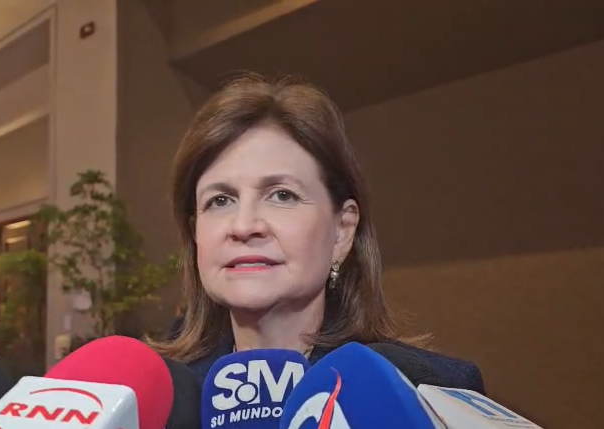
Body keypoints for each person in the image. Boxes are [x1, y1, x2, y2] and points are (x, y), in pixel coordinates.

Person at [148, 72, 485, 393]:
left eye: (282, 195)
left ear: (342, 230)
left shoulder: (429, 391)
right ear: (195, 233)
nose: (244, 226)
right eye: (220, 200)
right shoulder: (159, 400)